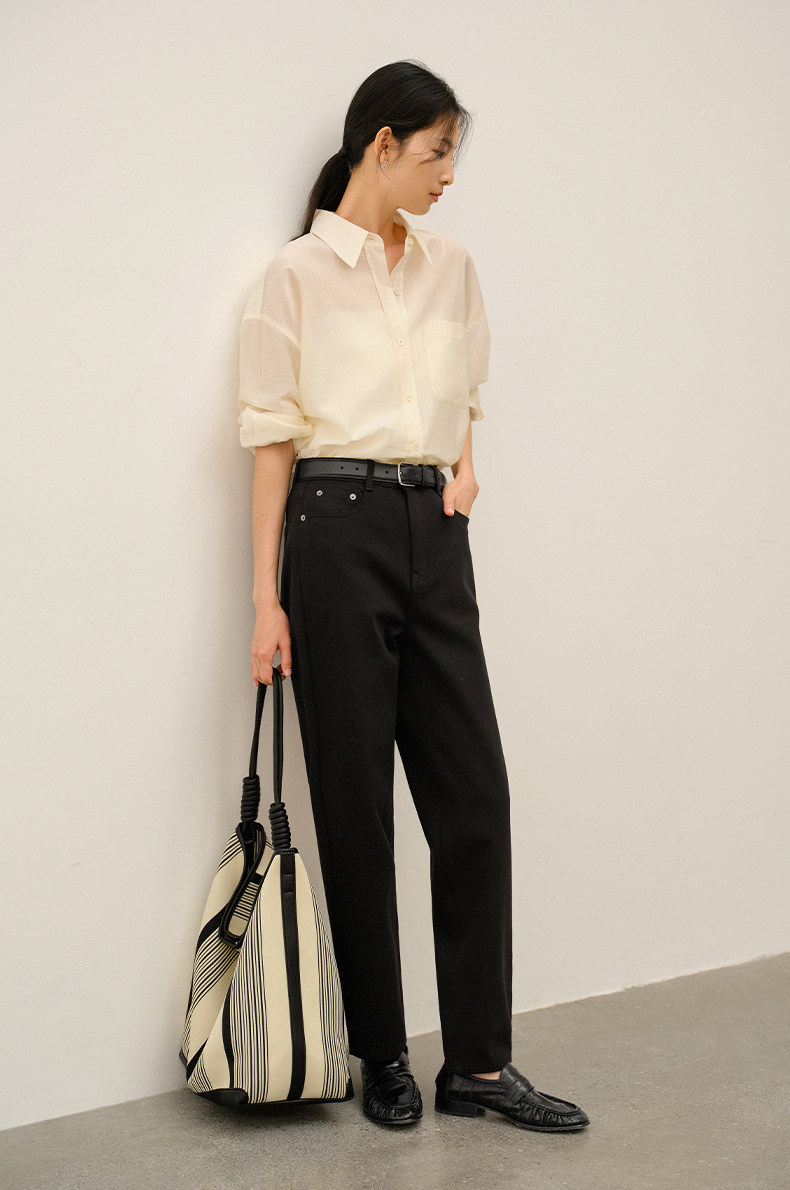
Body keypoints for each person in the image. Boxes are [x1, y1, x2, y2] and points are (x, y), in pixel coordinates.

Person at [237, 59, 590, 1133]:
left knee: (474, 799)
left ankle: (477, 1066)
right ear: (379, 145)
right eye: (435, 152)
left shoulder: (452, 265)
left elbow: (464, 391)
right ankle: (382, 1052)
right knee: (355, 804)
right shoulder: (294, 275)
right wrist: (265, 600)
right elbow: (271, 442)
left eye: (452, 155)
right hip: (333, 530)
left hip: (434, 532)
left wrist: (463, 475)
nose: (447, 175)